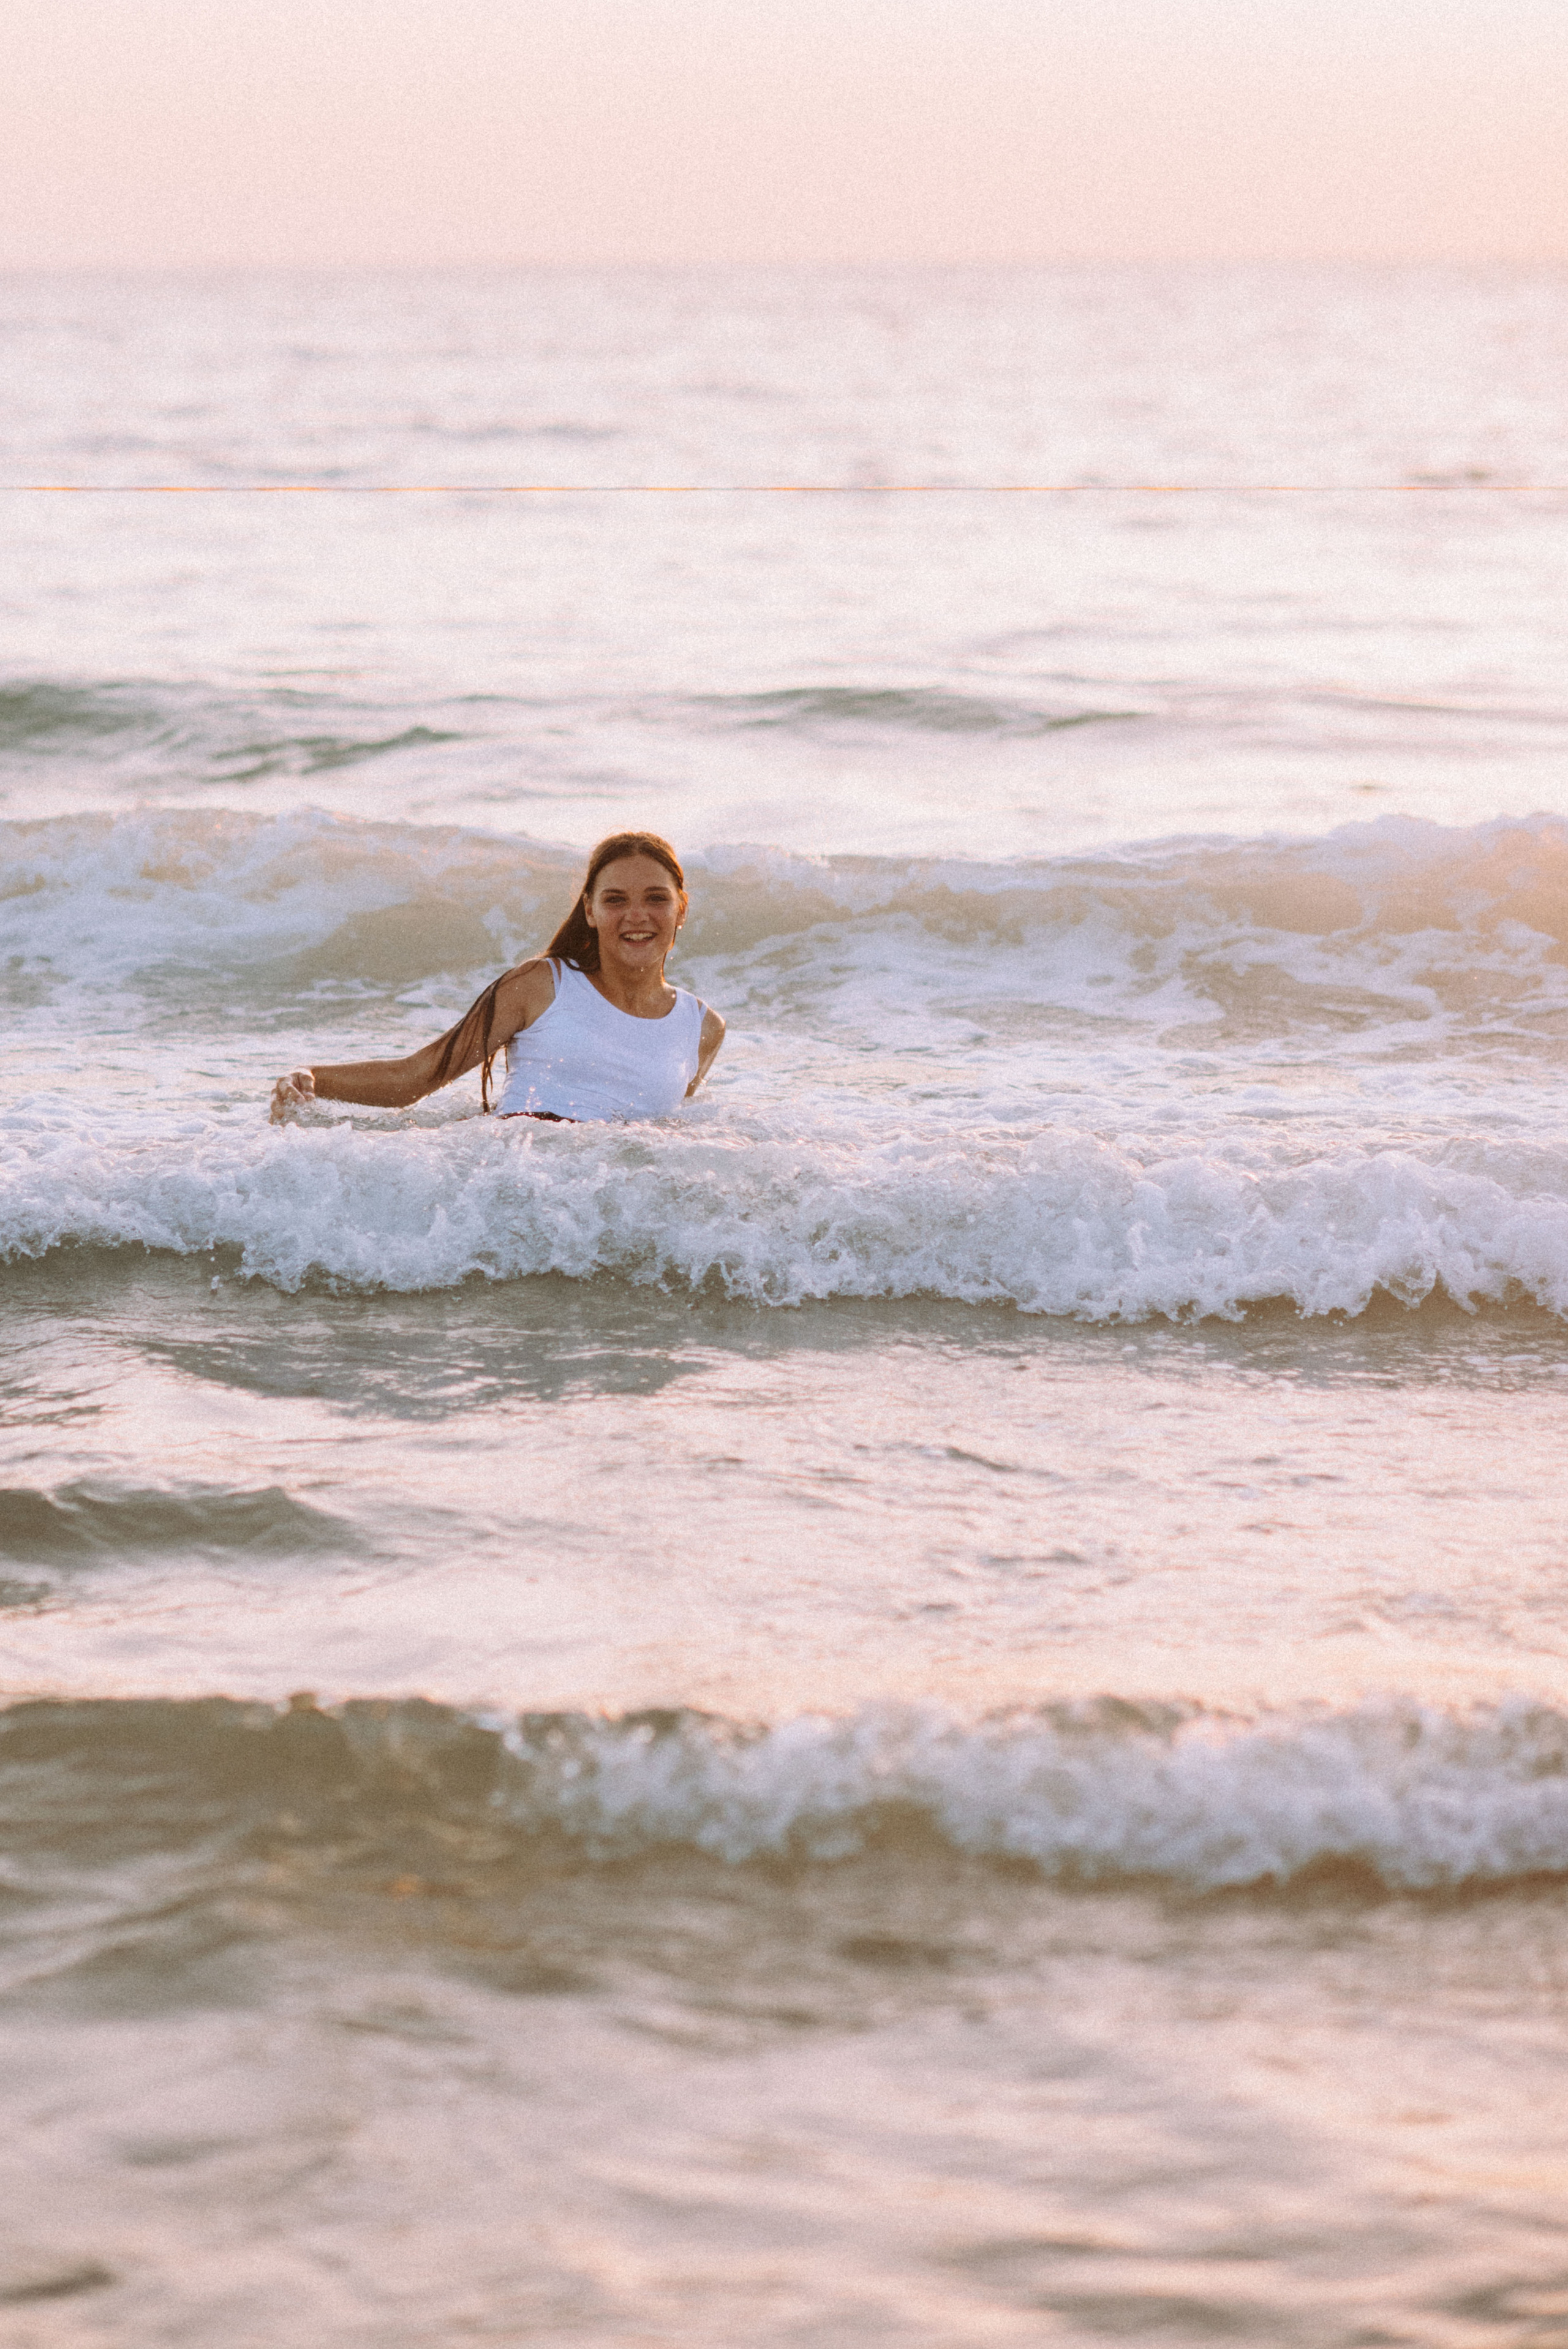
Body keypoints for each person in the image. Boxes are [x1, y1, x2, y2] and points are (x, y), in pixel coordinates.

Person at [269, 832, 725, 1126]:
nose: (637, 916)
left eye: (655, 898)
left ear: (681, 907)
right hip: (519, 1200)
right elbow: (420, 1075)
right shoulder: (541, 985)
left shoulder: (702, 1027)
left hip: (603, 1227)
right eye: (615, 900)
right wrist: (314, 1078)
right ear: (590, 909)